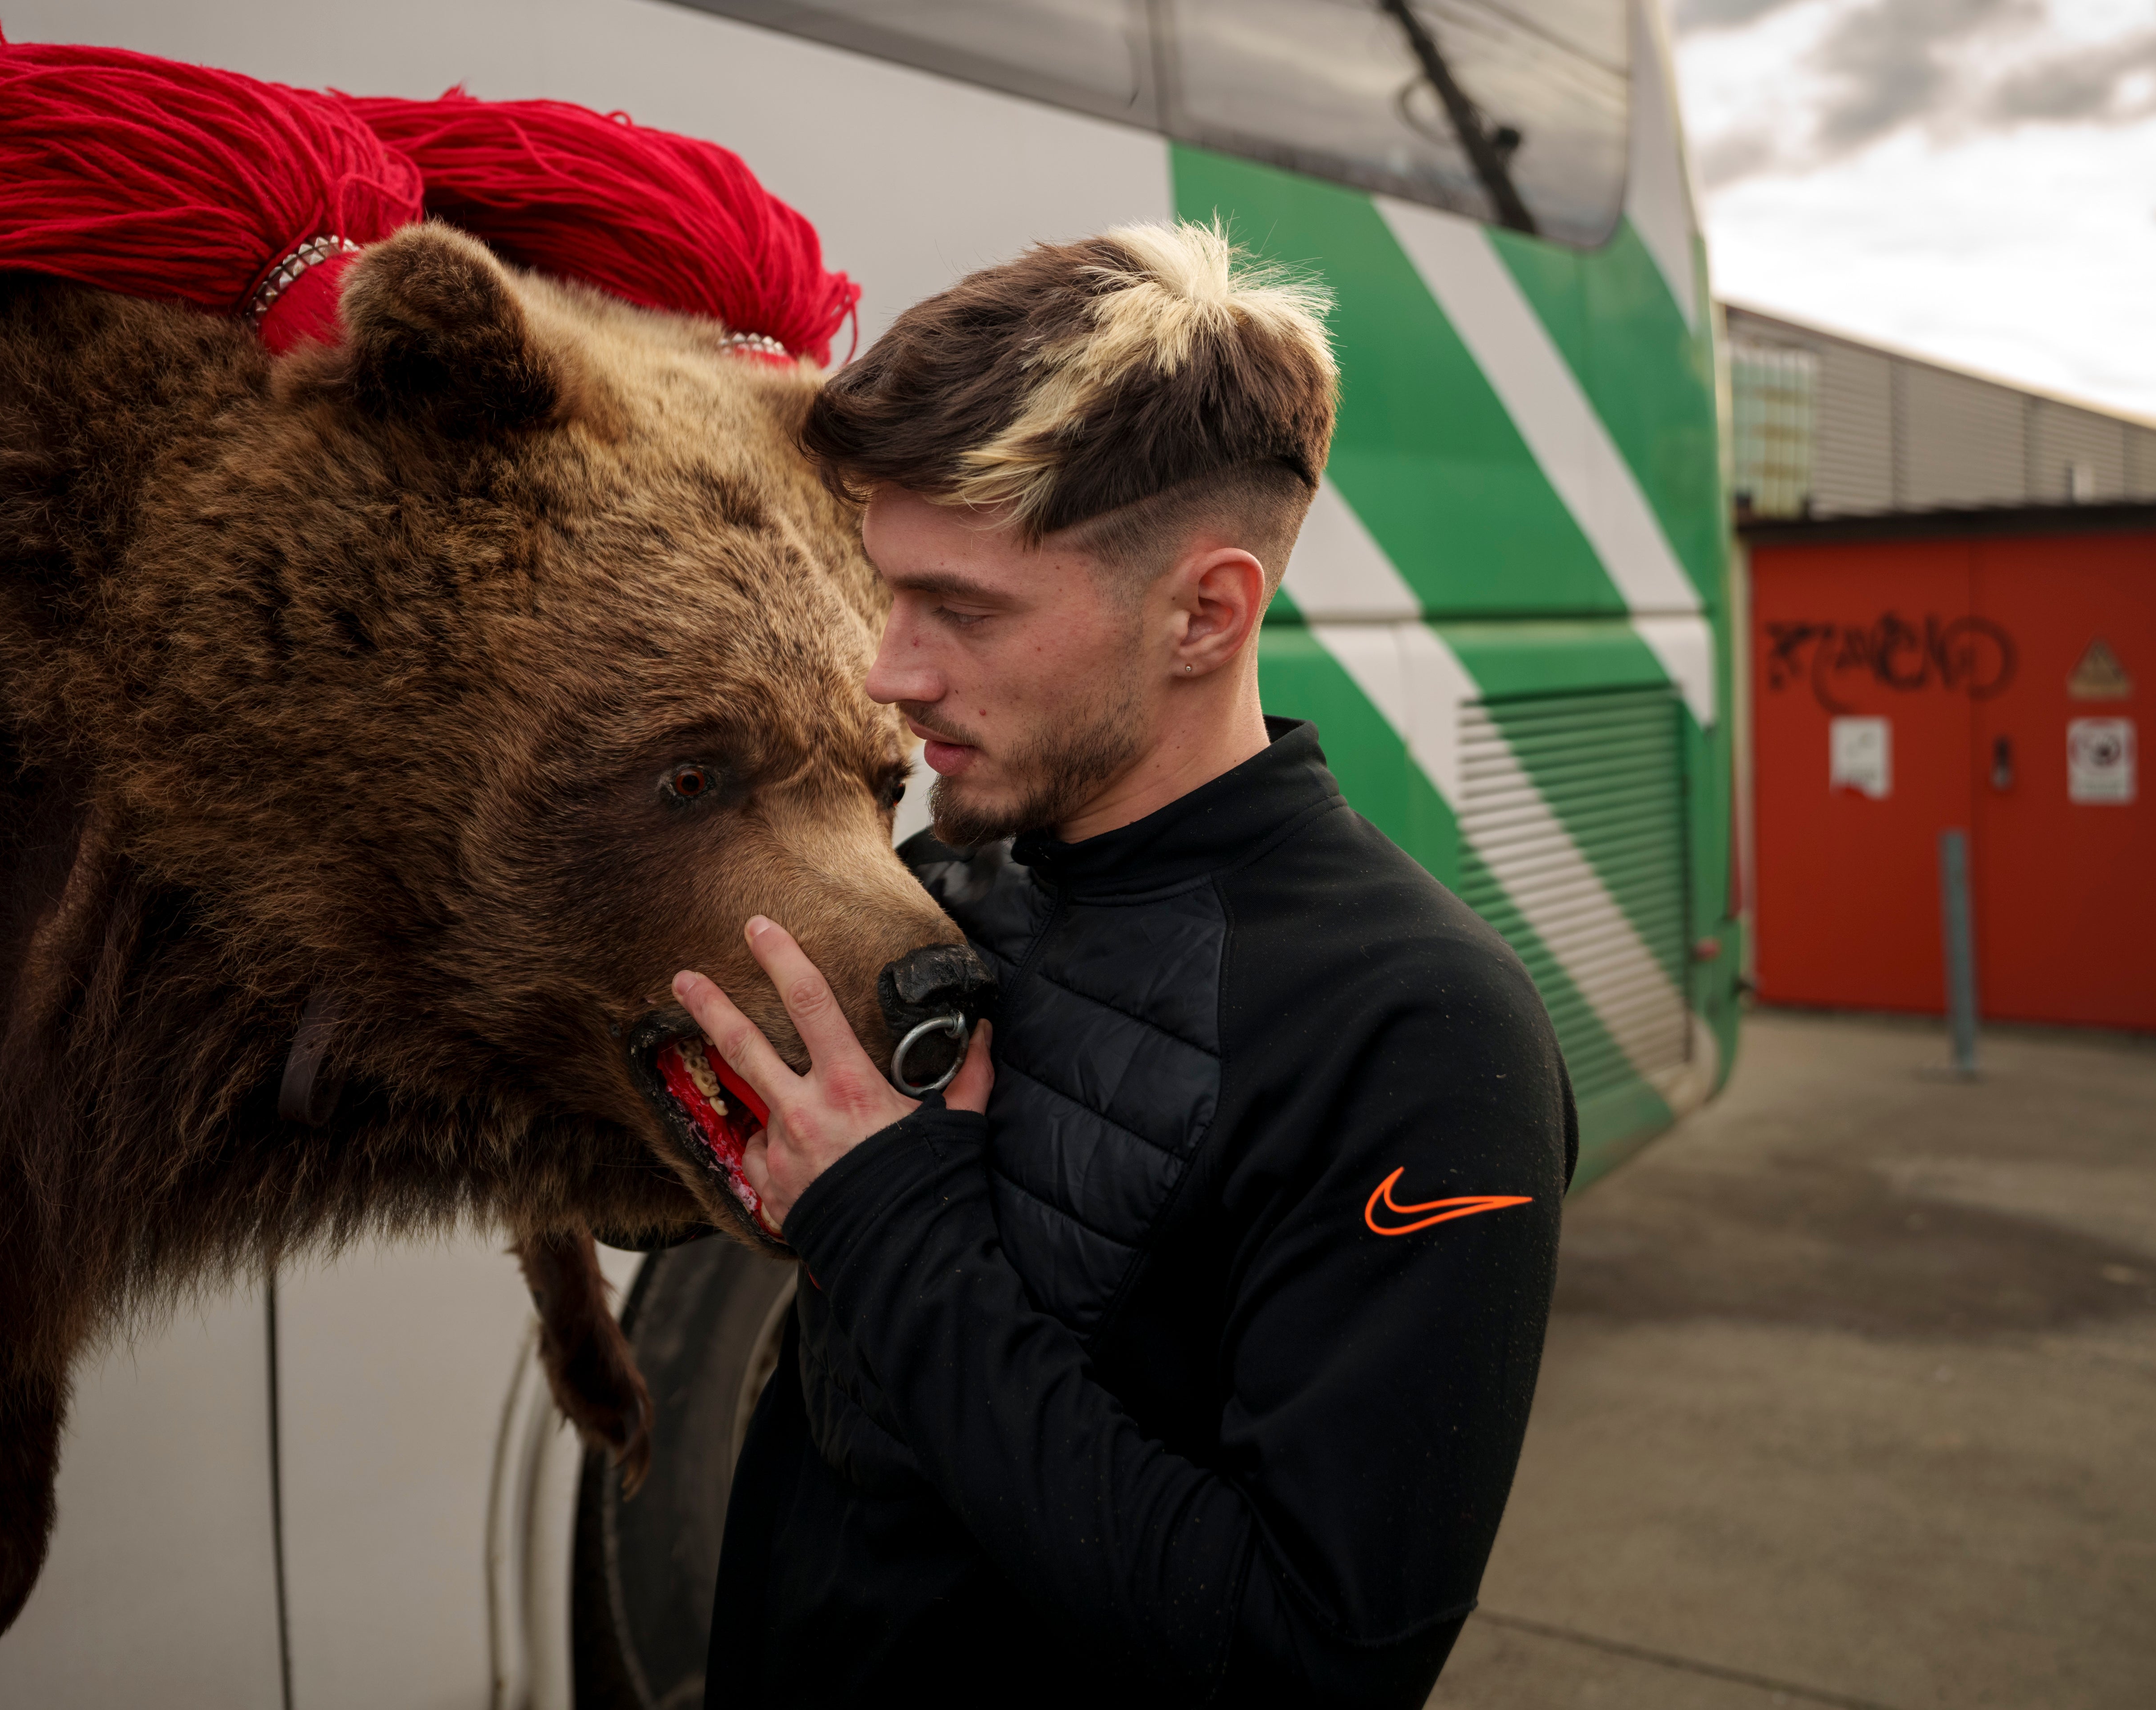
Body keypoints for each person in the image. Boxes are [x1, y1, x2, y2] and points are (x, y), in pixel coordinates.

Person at [670, 221, 1578, 1708]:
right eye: (887, 591)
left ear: (1205, 614)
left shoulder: (1417, 1032)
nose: (891, 669)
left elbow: (1309, 1659)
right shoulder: (946, 879)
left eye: (960, 608)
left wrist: (889, 1226)